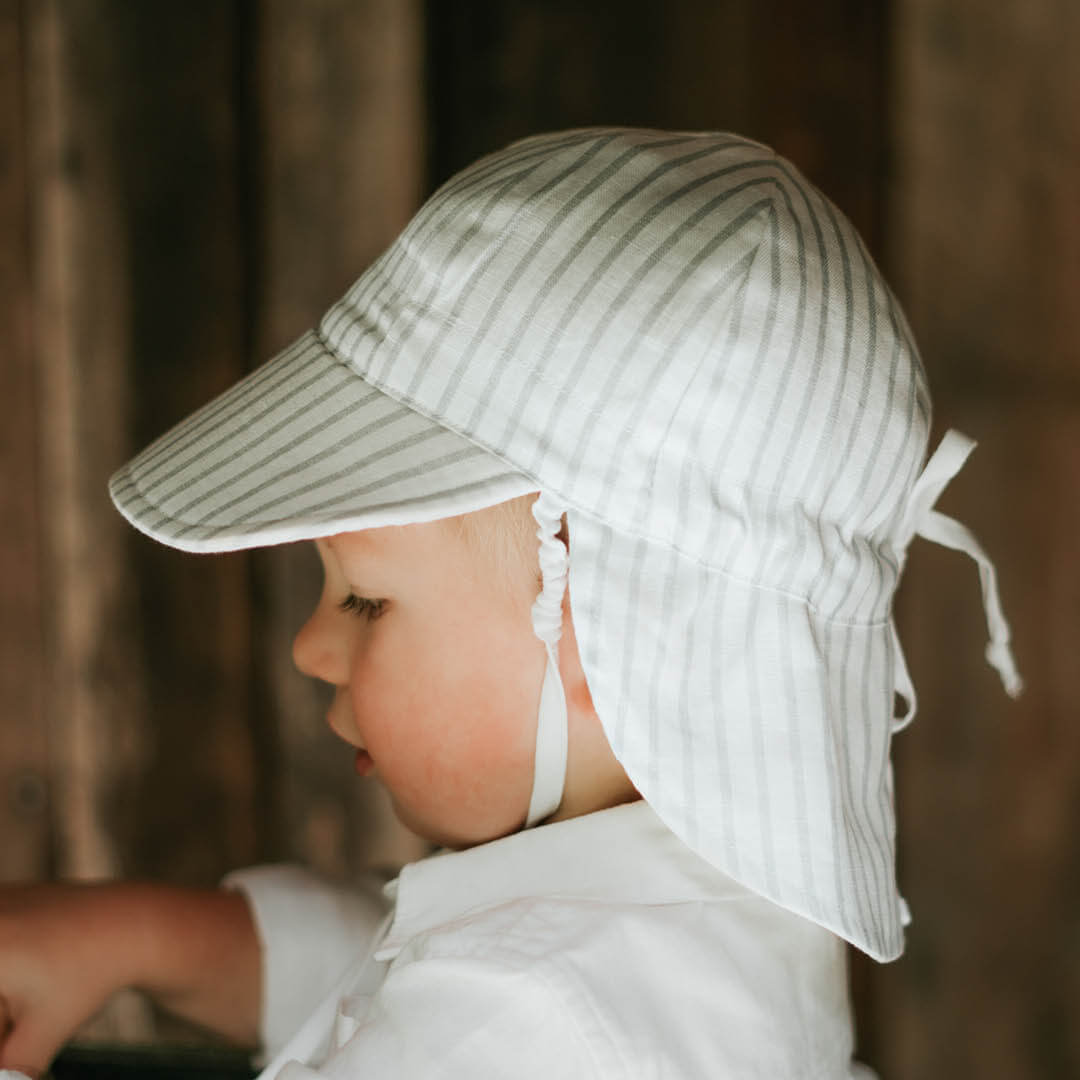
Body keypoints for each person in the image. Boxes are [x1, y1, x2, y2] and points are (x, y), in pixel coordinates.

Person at [0, 128, 1021, 1079]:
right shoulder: (681, 928)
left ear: (605, 631)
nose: (312, 647)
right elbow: (424, 965)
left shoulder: (531, 1027)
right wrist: (139, 937)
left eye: (364, 600)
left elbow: (473, 1003)